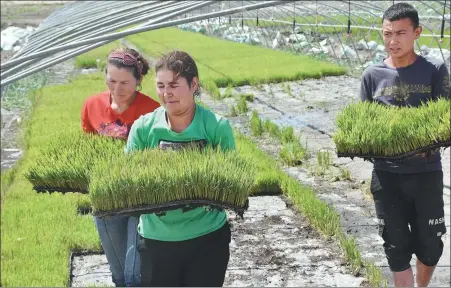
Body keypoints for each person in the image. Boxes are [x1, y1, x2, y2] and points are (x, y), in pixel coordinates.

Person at [125, 50, 235, 287]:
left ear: (193, 84)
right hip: (157, 241)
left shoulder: (216, 127)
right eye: (161, 85)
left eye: (174, 85)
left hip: (207, 239)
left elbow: (231, 181)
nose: (167, 93)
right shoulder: (143, 129)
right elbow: (129, 182)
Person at [359, 3, 449, 287]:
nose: (392, 41)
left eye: (400, 33)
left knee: (430, 244)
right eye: (387, 34)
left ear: (417, 32)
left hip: (426, 174)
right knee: (395, 246)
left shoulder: (435, 70)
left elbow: (443, 119)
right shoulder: (371, 75)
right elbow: (363, 124)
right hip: (387, 177)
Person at [81, 47, 160, 287]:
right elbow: (87, 151)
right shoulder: (92, 105)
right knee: (118, 275)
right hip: (106, 199)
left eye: (125, 83)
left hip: (140, 199)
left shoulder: (153, 110)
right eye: (111, 81)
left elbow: (161, 158)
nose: (117, 89)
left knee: (134, 274)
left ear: (139, 80)